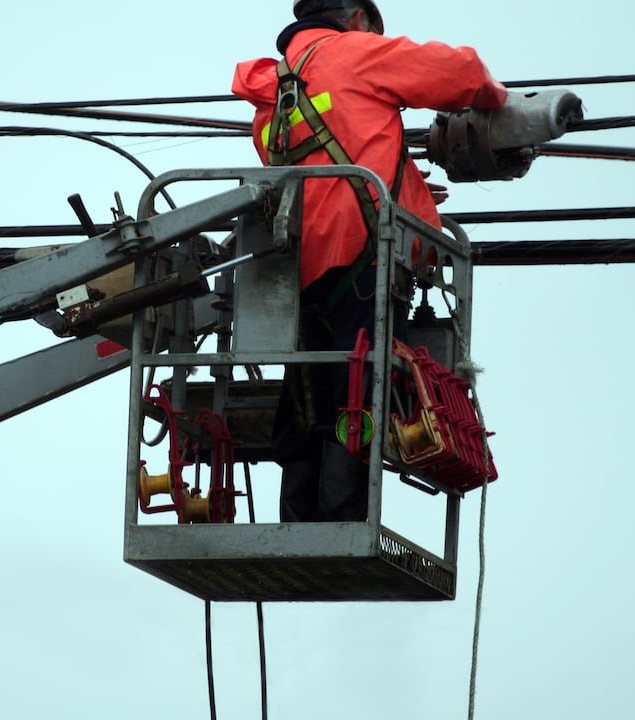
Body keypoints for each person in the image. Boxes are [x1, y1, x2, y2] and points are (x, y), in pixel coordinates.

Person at [231, 0, 507, 522]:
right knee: (356, 392)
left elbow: (330, 166)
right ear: (357, 18)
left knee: (308, 393)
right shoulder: (356, 53)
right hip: (365, 260)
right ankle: (341, 518)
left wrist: (407, 190)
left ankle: (297, 522)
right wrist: (503, 103)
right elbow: (463, 74)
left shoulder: (270, 97)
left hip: (298, 271)